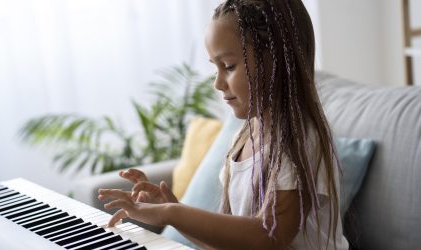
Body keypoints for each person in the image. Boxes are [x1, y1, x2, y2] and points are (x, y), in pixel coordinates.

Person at [98, 0, 349, 249]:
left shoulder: (301, 139)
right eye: (215, 67)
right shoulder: (243, 137)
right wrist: (171, 207)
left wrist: (170, 213)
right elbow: (232, 243)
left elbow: (268, 237)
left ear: (276, 62)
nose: (217, 83)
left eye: (228, 66)